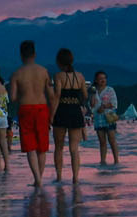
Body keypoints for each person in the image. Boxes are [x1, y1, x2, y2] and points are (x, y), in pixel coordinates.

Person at [8, 40, 54, 186]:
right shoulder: (44, 71)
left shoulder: (16, 74)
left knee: (30, 146)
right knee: (42, 146)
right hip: (42, 108)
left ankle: (38, 179)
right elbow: (51, 95)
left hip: (26, 108)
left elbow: (13, 97)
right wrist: (52, 114)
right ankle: (39, 178)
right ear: (34, 54)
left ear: (21, 55)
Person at [48, 47, 87, 184]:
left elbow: (57, 96)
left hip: (62, 111)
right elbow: (85, 95)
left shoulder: (58, 76)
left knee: (59, 147)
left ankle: (59, 177)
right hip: (75, 111)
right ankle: (75, 177)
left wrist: (51, 115)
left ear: (59, 62)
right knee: (74, 149)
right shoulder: (80, 76)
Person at [91, 69, 121, 165]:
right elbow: (91, 105)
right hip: (98, 119)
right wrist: (92, 94)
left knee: (112, 139)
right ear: (96, 80)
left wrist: (103, 107)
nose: (103, 80)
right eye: (100, 79)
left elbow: (114, 103)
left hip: (109, 118)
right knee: (102, 141)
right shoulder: (93, 91)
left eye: (104, 78)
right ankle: (103, 161)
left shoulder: (110, 90)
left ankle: (116, 160)